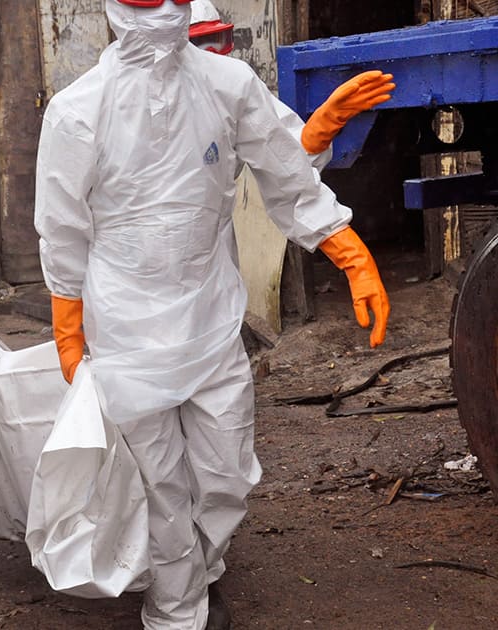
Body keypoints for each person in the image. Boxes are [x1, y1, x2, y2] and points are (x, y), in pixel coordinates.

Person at [34, 2, 390, 629]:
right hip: (126, 324)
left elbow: (284, 169)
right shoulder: (76, 109)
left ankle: (200, 572)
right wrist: (69, 326)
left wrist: (346, 248)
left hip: (211, 314)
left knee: (226, 474)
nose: (165, 13)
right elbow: (62, 227)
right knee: (162, 486)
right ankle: (176, 612)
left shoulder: (227, 84)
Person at [189, 0, 395, 170]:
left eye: (216, 41)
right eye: (198, 45)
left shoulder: (231, 87)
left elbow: (283, 157)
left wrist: (318, 131)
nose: (210, 55)